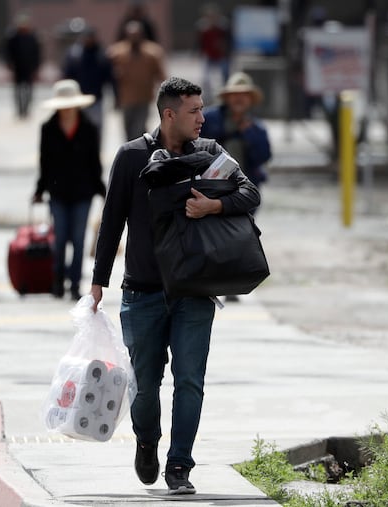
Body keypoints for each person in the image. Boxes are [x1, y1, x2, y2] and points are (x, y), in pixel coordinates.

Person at [90, 77, 260, 494]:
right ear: (169, 114)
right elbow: (112, 220)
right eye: (194, 111)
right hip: (142, 290)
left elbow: (250, 194)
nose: (203, 117)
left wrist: (213, 205)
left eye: (202, 109)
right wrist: (98, 283)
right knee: (145, 386)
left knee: (190, 381)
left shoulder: (211, 154)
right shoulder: (131, 157)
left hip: (195, 290)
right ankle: (147, 440)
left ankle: (180, 466)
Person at [34, 80, 106, 300]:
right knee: (60, 236)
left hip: (83, 192)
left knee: (78, 238)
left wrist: (101, 189)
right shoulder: (48, 129)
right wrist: (39, 189)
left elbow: (95, 162)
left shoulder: (89, 128)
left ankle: (74, 283)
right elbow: (44, 162)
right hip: (57, 192)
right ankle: (57, 280)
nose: (66, 109)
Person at [200, 71, 271, 192]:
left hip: (244, 189)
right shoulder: (207, 119)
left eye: (244, 94)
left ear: (251, 99)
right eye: (235, 94)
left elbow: (264, 157)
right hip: (210, 185)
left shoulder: (257, 128)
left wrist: (249, 134)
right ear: (227, 98)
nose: (239, 98)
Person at [108, 20, 167, 141]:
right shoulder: (117, 52)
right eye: (131, 35)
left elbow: (161, 75)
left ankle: (138, 152)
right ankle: (135, 152)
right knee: (128, 129)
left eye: (137, 35)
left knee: (137, 129)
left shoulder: (152, 52)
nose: (134, 38)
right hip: (125, 98)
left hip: (144, 97)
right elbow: (110, 76)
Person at [62, 25, 114, 140]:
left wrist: (115, 96)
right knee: (79, 129)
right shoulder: (75, 54)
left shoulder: (101, 54)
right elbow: (68, 74)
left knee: (96, 128)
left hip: (96, 98)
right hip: (79, 98)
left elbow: (109, 76)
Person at [4, 13, 42, 119]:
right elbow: (8, 52)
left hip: (29, 68)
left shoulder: (32, 37)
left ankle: (26, 109)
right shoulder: (13, 37)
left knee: (29, 91)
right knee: (18, 90)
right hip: (18, 68)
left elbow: (37, 53)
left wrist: (37, 68)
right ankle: (20, 109)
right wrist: (9, 63)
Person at [196, 3, 231, 103]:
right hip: (209, 55)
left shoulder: (223, 26)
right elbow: (200, 42)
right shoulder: (203, 27)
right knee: (206, 78)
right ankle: (208, 97)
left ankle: (226, 95)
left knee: (225, 76)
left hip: (221, 55)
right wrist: (199, 52)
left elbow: (228, 40)